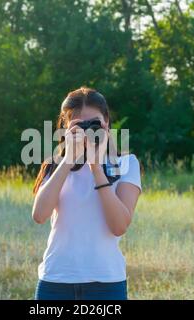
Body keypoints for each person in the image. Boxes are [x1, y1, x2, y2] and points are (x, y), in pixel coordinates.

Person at [32, 86, 142, 300]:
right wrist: (67, 160)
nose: (87, 132)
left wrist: (96, 167)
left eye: (94, 124)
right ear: (66, 128)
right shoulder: (55, 166)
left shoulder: (126, 164)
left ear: (107, 124)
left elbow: (119, 226)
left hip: (106, 284)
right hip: (56, 281)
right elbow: (39, 216)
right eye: (79, 126)